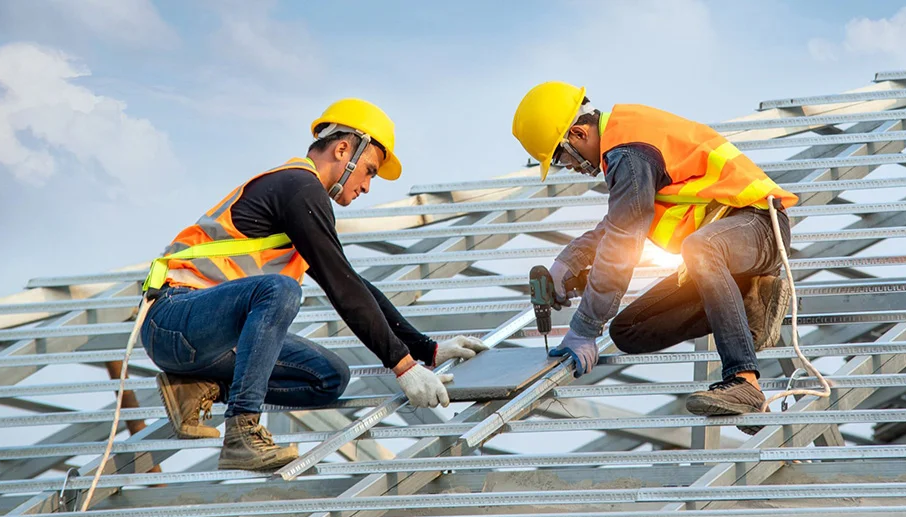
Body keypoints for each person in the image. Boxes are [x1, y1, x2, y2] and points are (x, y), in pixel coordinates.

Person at [143, 98, 488, 470]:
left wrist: (427, 350)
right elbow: (343, 288)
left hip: (207, 334)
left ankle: (198, 388)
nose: (368, 186)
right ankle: (242, 430)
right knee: (280, 290)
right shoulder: (298, 186)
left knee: (328, 377)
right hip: (174, 318)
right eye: (369, 171)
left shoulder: (299, 197)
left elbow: (350, 282)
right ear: (343, 149)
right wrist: (402, 367)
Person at [511, 82, 798, 435]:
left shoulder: (627, 153)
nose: (566, 166)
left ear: (577, 133)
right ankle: (751, 300)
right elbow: (619, 223)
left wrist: (584, 327)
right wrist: (571, 260)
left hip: (758, 225)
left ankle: (745, 381)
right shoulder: (624, 146)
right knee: (630, 330)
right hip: (725, 250)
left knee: (699, 249)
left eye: (559, 156)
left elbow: (622, 240)